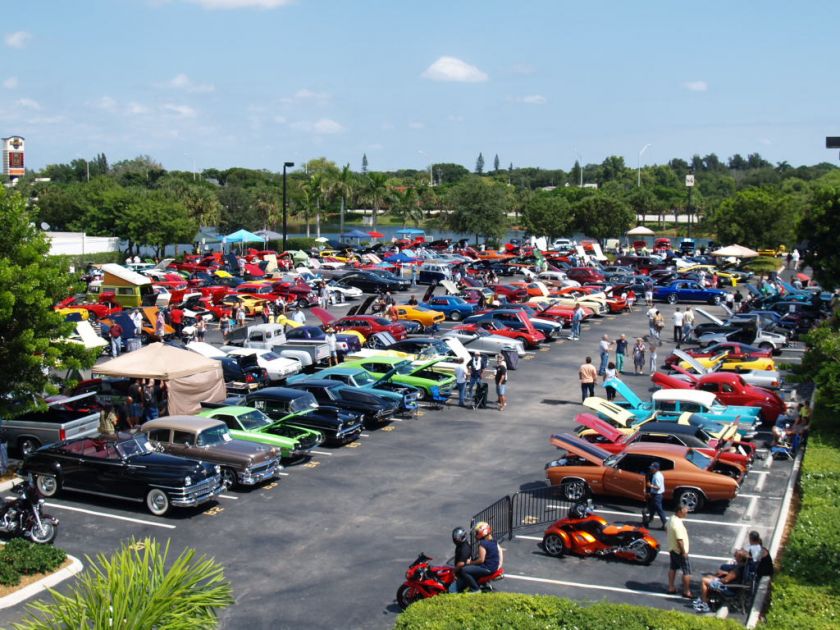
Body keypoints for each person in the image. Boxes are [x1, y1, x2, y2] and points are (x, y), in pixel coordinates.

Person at [457, 522, 502, 593]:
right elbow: (500, 551)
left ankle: (475, 589)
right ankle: (482, 584)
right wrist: (499, 564)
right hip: (493, 566)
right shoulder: (493, 541)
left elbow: (481, 560)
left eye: (477, 532)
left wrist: (470, 562)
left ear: (482, 533)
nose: (476, 534)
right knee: (474, 567)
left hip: (488, 568)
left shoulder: (482, 544)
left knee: (464, 570)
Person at [666, 505, 693, 598]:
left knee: (673, 567)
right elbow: (680, 540)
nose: (687, 512)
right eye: (685, 511)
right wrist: (684, 552)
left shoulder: (671, 519)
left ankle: (671, 587)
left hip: (672, 549)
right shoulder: (677, 524)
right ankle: (686, 591)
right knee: (687, 571)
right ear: (679, 511)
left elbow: (666, 528)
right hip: (679, 551)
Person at [643, 462, 668, 529]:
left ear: (656, 469)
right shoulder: (658, 474)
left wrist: (650, 485)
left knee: (659, 510)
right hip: (655, 495)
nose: (651, 469)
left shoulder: (657, 476)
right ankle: (648, 520)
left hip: (657, 496)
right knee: (652, 508)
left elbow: (658, 487)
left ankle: (665, 524)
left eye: (652, 468)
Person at [449, 527, 472, 592]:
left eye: (457, 539)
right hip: (462, 571)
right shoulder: (462, 545)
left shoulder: (464, 549)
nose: (455, 540)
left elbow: (461, 563)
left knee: (452, 589)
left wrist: (453, 572)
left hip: (463, 573)